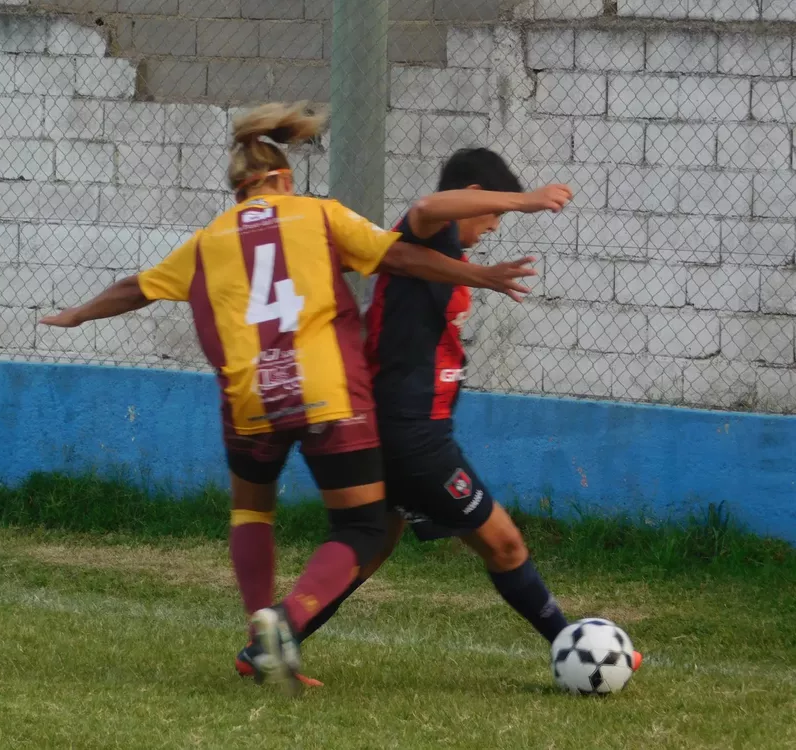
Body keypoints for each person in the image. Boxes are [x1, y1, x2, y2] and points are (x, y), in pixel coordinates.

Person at [40, 104, 542, 696]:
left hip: (250, 399)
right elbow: (401, 256)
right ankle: (283, 626)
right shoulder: (320, 215)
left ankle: (261, 638)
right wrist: (479, 275)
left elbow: (135, 288)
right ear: (284, 178)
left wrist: (78, 314)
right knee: (361, 526)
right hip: (327, 394)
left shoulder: (207, 241)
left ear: (238, 190)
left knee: (252, 512)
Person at [236, 147, 642, 686]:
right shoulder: (431, 232)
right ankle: (576, 648)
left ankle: (268, 645)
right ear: (472, 197)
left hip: (393, 427)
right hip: (414, 436)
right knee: (504, 544)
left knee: (368, 547)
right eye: (491, 216)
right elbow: (428, 206)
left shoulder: (440, 253)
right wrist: (524, 200)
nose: (492, 229)